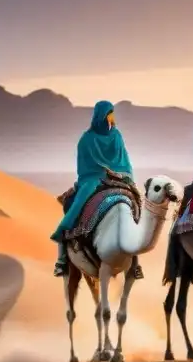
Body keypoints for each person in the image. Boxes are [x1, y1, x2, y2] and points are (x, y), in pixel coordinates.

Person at [50, 99, 138, 277]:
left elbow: (124, 161)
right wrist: (102, 171)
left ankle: (135, 260)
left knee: (136, 202)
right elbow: (84, 166)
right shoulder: (86, 139)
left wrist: (123, 175)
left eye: (112, 113)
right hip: (93, 178)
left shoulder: (117, 135)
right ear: (102, 115)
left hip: (120, 178)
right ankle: (63, 254)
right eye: (109, 113)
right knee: (78, 202)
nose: (112, 117)